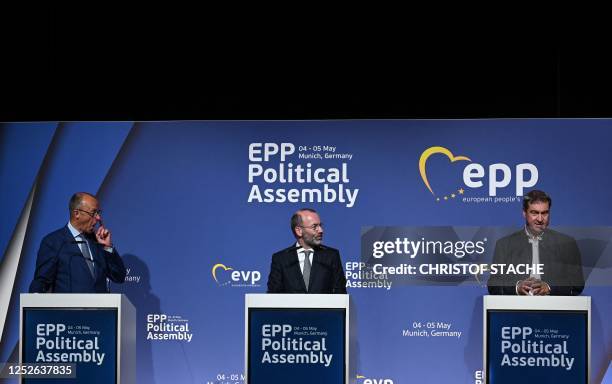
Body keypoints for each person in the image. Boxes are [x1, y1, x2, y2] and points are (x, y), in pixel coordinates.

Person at [487, 190, 584, 296]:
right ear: (524, 213)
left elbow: (577, 284)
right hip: (516, 308)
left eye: (544, 213)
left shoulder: (567, 244)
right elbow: (493, 285)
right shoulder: (504, 245)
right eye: (534, 213)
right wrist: (516, 287)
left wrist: (549, 287)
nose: (540, 219)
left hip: (554, 308)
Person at [29, 192, 126, 293]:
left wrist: (107, 247)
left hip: (100, 308)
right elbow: (41, 282)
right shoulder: (54, 242)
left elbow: (119, 276)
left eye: (98, 212)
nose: (98, 218)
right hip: (69, 308)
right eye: (93, 213)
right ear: (77, 213)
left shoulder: (98, 242)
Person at [267, 208, 347, 293]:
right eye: (314, 226)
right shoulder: (281, 259)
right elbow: (273, 295)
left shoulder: (331, 256)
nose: (320, 230)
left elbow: (340, 293)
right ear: (299, 231)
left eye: (320, 225)